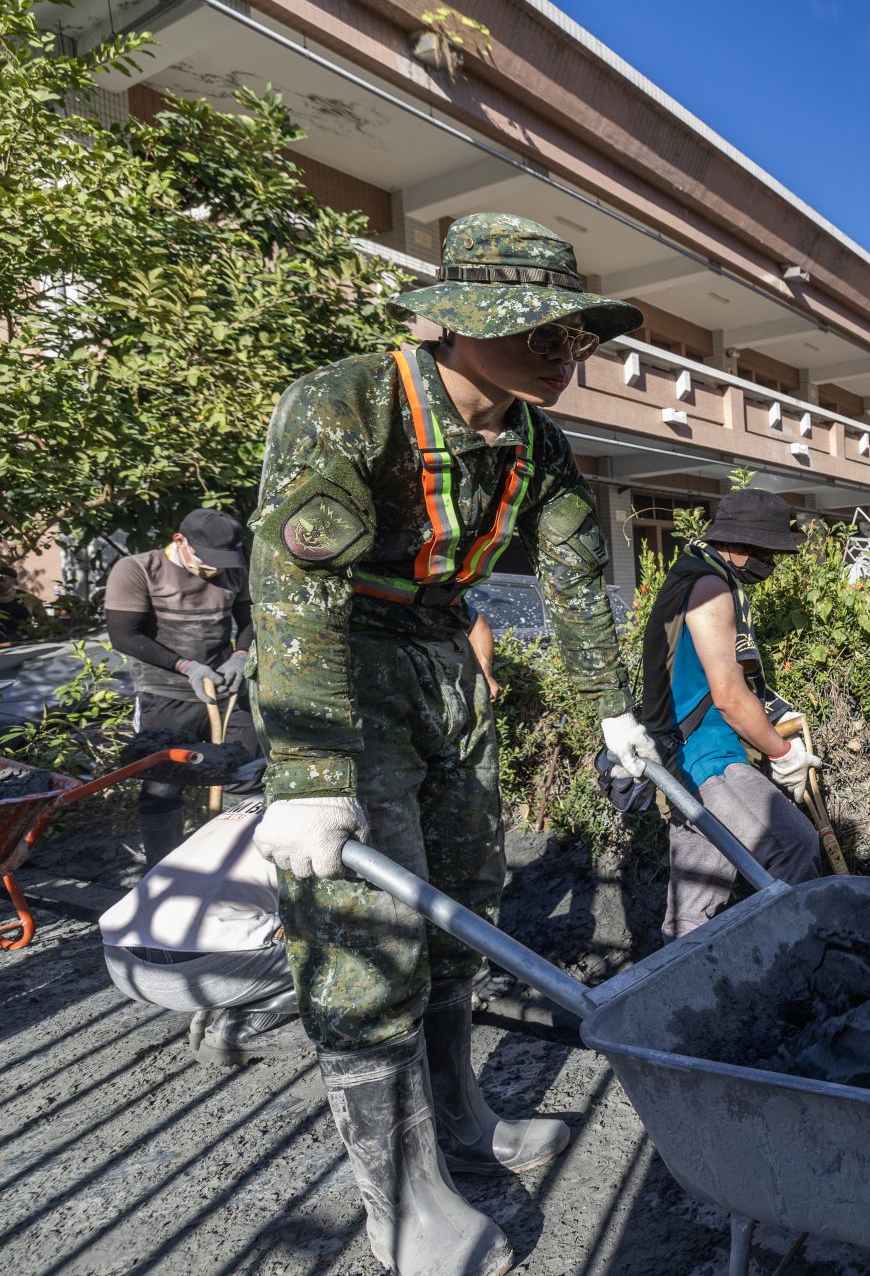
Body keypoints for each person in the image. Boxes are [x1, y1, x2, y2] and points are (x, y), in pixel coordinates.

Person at [248, 214, 662, 1276]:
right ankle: (403, 1200)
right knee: (366, 930)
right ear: (457, 323)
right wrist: (307, 770)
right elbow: (294, 590)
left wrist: (611, 708)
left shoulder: (537, 443)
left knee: (463, 896)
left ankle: (460, 1118)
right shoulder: (350, 401)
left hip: (444, 660)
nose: (564, 352)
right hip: (346, 666)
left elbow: (574, 580)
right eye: (539, 329)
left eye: (575, 334)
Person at [637, 488, 821, 940]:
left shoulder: (687, 576)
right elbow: (729, 696)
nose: (770, 563)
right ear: (737, 544)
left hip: (679, 760)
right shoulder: (711, 588)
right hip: (708, 757)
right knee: (796, 847)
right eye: (765, 552)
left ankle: (679, 981)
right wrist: (784, 755)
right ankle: (799, 963)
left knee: (692, 909)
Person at [103, 509, 262, 862]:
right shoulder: (138, 569)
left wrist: (240, 655)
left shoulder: (235, 568)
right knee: (163, 782)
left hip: (226, 690)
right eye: (208, 561)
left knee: (247, 772)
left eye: (223, 562)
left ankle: (235, 865)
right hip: (166, 693)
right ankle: (164, 871)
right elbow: (124, 635)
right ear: (180, 541)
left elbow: (251, 620)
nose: (216, 570)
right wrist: (186, 666)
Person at [98, 798, 305, 1066]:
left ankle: (233, 1003)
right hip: (210, 970)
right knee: (346, 931)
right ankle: (246, 1024)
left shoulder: (250, 805)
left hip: (122, 959)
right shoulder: (334, 811)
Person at [0, 563, 43, 644]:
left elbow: (45, 621)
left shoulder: (28, 598)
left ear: (13, 580)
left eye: (1, 578)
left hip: (25, 643)